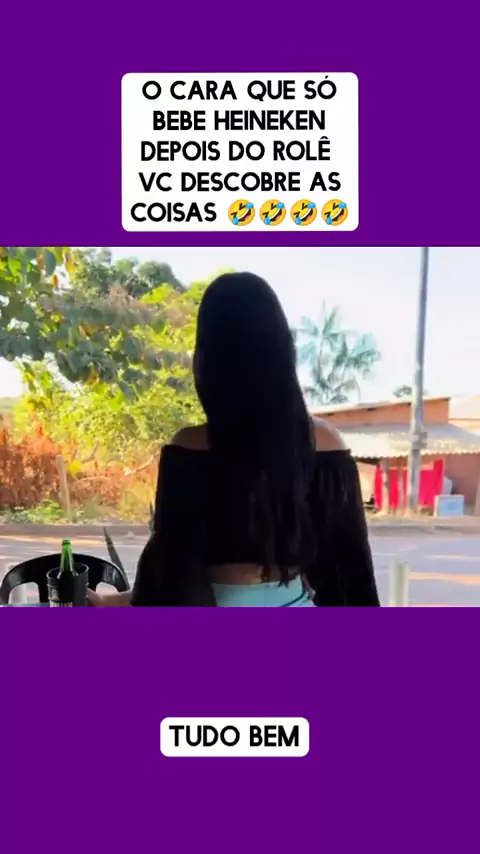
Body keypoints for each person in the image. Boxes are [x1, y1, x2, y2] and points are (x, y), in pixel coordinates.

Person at [88, 272, 380, 607]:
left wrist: (107, 604)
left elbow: (171, 575)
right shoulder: (325, 443)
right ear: (281, 352)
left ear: (208, 358)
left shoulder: (189, 447)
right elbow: (352, 573)